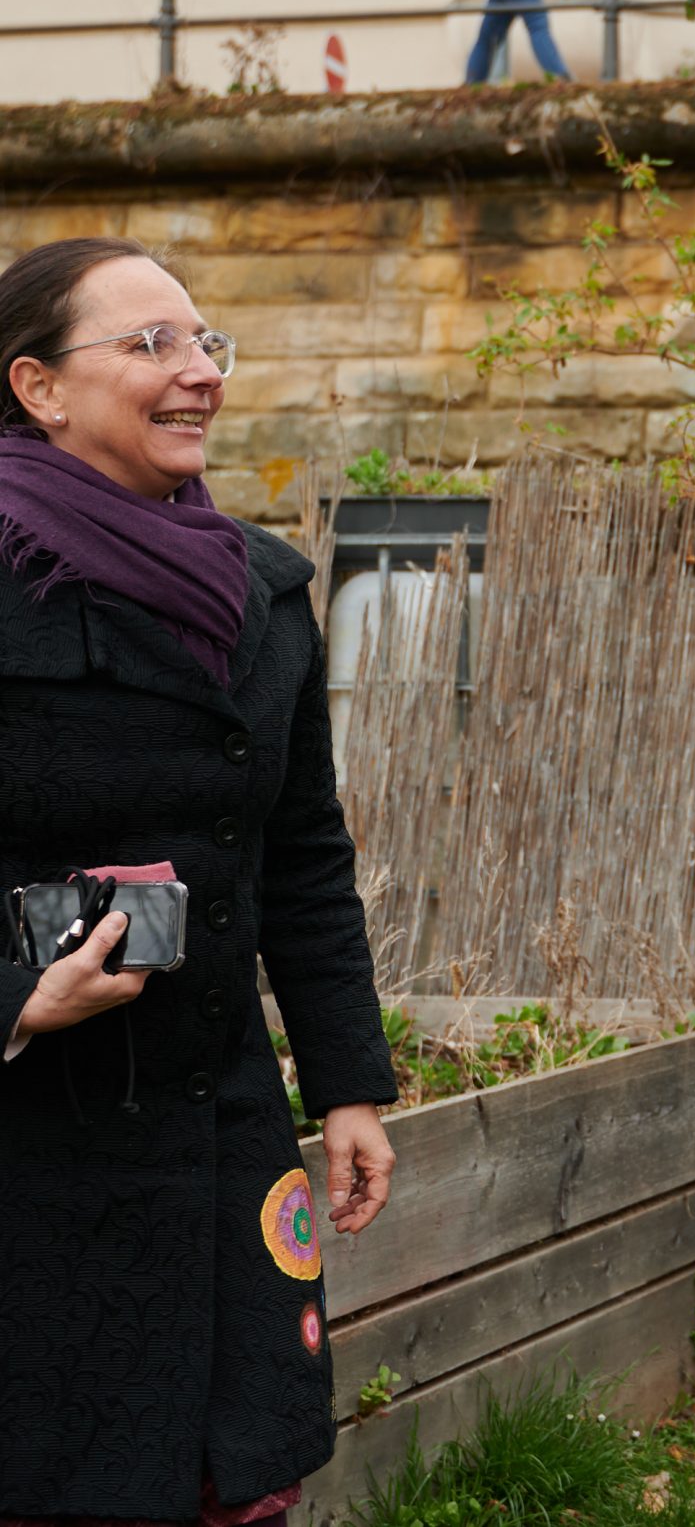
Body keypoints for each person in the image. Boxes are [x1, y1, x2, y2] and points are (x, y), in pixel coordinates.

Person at [0, 239, 399, 1526]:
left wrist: (346, 1085)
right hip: (36, 1144)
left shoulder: (264, 594)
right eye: (150, 344)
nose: (199, 373)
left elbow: (306, 856)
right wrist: (16, 993)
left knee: (232, 1470)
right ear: (38, 389)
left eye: (205, 342)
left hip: (219, 1125)